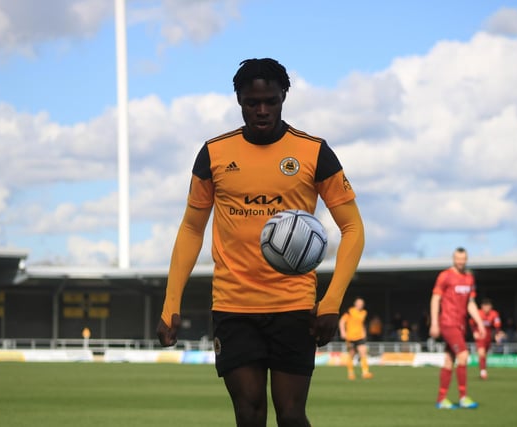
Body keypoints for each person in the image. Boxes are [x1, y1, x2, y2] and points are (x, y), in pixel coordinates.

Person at [156, 58, 365, 427]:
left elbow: (353, 228)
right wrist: (171, 302)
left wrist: (331, 302)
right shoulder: (214, 154)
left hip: (294, 306)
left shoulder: (314, 152)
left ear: (284, 96)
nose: (262, 110)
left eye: (271, 100)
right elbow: (191, 229)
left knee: (290, 415)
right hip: (234, 306)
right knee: (249, 414)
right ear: (239, 100)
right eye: (253, 103)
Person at [429, 247, 485, 409]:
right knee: (463, 355)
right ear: (453, 258)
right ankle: (463, 397)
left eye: (463, 259)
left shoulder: (469, 278)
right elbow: (435, 299)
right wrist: (434, 322)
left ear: (466, 259)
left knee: (449, 360)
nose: (460, 261)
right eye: (458, 258)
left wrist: (480, 323)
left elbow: (471, 303)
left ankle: (441, 400)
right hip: (448, 322)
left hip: (461, 325)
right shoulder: (445, 276)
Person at [339, 298, 373, 380]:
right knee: (351, 354)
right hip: (350, 337)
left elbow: (362, 324)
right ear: (355, 303)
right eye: (358, 303)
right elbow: (342, 321)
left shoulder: (364, 313)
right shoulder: (350, 311)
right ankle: (351, 373)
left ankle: (365, 372)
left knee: (363, 353)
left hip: (360, 337)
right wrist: (343, 332)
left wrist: (364, 332)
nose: (360, 305)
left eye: (361, 304)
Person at [469, 298, 501, 380]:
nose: (487, 308)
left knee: (484, 354)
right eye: (485, 306)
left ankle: (483, 369)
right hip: (480, 335)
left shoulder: (494, 314)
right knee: (481, 353)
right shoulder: (478, 313)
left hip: (488, 335)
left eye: (488, 306)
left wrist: (497, 335)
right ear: (482, 306)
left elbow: (497, 325)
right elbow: (472, 323)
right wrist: (474, 332)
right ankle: (483, 372)